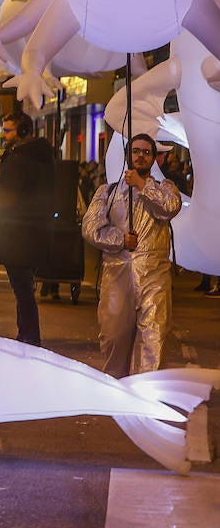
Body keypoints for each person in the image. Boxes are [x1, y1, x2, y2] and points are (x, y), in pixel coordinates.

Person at [82, 134, 182, 378]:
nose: (141, 156)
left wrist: (142, 185)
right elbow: (90, 229)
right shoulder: (108, 192)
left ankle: (144, 392)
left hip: (154, 277)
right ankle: (117, 389)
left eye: (146, 152)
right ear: (128, 155)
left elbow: (169, 208)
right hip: (117, 275)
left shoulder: (164, 188)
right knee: (114, 336)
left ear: (153, 158)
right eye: (136, 151)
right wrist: (119, 239)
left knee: (153, 335)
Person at [0, 112, 56, 347]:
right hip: (34, 233)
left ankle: (29, 337)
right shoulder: (40, 157)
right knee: (24, 288)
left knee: (23, 292)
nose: (4, 136)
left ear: (24, 131)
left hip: (17, 236)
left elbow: (5, 198)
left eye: (8, 131)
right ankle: (26, 336)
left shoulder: (20, 160)